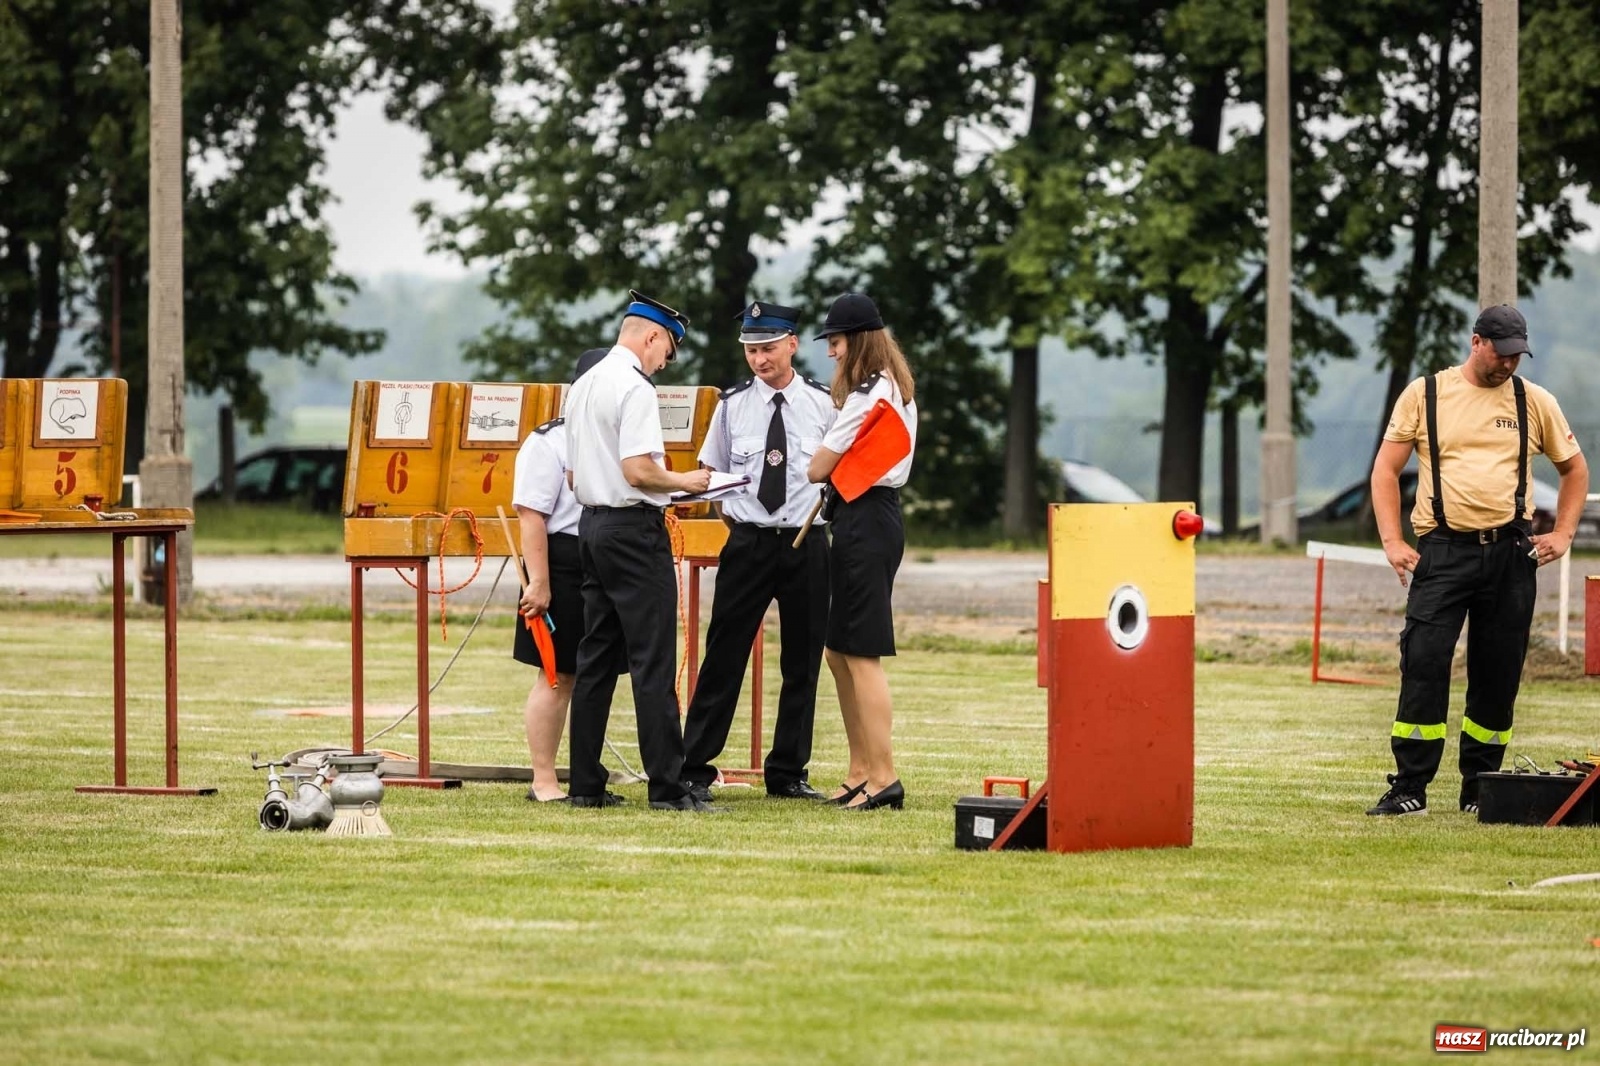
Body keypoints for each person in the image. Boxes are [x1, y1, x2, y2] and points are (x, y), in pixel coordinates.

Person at [1366, 304, 1588, 817]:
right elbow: (1384, 471)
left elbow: (1575, 470)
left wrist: (1564, 532)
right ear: (1476, 342)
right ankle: (1409, 788)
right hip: (1442, 551)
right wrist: (1393, 542)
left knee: (1498, 672)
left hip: (1512, 554)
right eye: (1502, 353)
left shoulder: (1535, 402)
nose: (1510, 364)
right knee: (1423, 662)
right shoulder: (1426, 395)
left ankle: (1480, 787)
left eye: (1518, 355)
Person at [563, 290, 716, 812]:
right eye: (666, 352)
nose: (663, 362)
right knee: (653, 660)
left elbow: (571, 471)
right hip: (633, 528)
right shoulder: (635, 388)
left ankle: (584, 783)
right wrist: (689, 482)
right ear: (652, 337)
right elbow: (639, 470)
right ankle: (667, 789)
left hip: (591, 525)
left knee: (597, 659)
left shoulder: (582, 385)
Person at [682, 301, 838, 802]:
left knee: (802, 660)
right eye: (750, 350)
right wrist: (740, 522)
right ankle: (694, 768)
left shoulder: (824, 403)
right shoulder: (732, 406)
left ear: (793, 343)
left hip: (805, 539)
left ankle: (788, 772)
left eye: (767, 348)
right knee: (723, 655)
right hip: (748, 541)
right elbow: (715, 475)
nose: (759, 359)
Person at [806, 293, 917, 811]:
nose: (830, 351)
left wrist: (825, 451)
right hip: (864, 516)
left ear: (858, 342)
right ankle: (860, 769)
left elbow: (817, 467)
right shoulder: (892, 388)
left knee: (861, 654)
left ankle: (883, 776)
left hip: (866, 518)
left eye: (835, 341)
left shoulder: (869, 395)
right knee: (837, 650)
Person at [510, 346, 609, 803]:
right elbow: (531, 515)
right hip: (560, 557)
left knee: (599, 673)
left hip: (608, 553)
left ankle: (589, 777)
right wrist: (539, 582)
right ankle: (544, 780)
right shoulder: (548, 441)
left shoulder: (619, 437)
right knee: (557, 674)